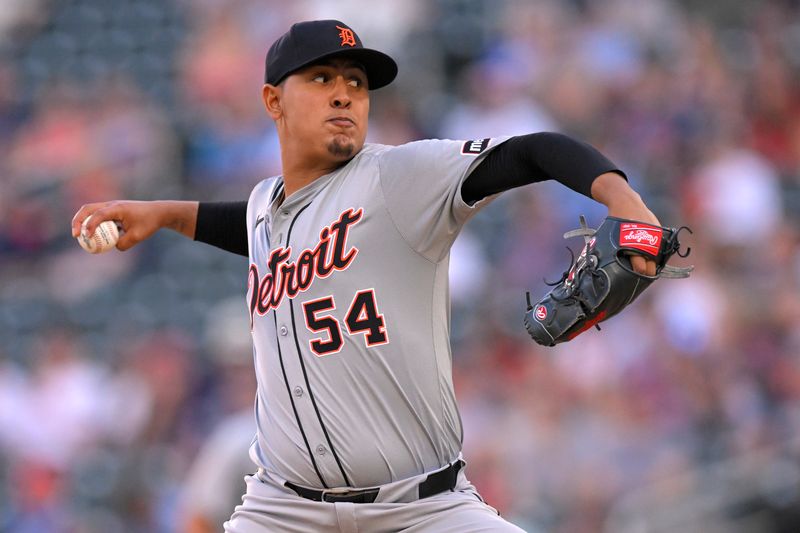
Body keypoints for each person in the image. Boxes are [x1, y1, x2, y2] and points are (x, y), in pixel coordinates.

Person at [72, 19, 662, 532]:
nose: (345, 95)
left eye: (356, 83)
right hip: (282, 510)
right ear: (273, 102)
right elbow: (248, 226)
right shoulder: (264, 207)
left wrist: (623, 199)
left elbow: (531, 150)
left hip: (423, 509)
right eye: (322, 79)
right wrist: (161, 215)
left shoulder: (399, 177)